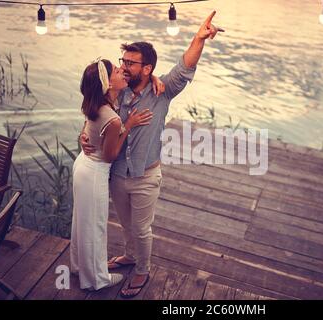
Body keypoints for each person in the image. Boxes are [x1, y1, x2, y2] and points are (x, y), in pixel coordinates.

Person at [81, 11, 223, 298]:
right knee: (125, 224)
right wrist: (83, 136)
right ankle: (130, 256)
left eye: (130, 63)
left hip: (146, 176)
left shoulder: (162, 92)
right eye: (123, 62)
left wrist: (199, 38)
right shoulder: (116, 91)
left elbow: (184, 67)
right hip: (118, 175)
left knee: (142, 229)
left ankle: (143, 271)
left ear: (147, 69)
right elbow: (94, 112)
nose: (123, 68)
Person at [71, 58, 164, 290]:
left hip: (84, 166)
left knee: (81, 222)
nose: (122, 70)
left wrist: (153, 76)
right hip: (94, 173)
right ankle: (97, 279)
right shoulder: (113, 118)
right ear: (107, 82)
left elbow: (91, 128)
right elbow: (111, 155)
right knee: (95, 226)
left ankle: (79, 266)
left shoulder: (96, 101)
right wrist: (129, 124)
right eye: (116, 70)